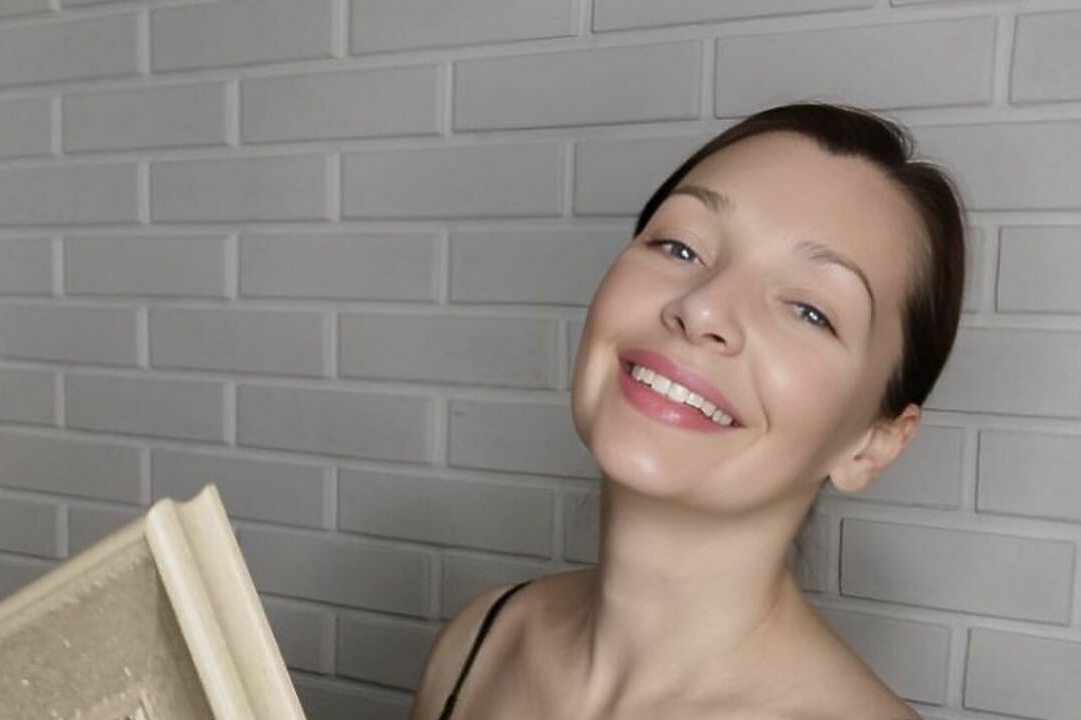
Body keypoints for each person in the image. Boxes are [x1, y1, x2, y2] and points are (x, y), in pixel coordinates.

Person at [409, 102, 965, 720]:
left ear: (873, 444)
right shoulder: (480, 642)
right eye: (679, 247)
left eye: (810, 311)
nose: (702, 308)